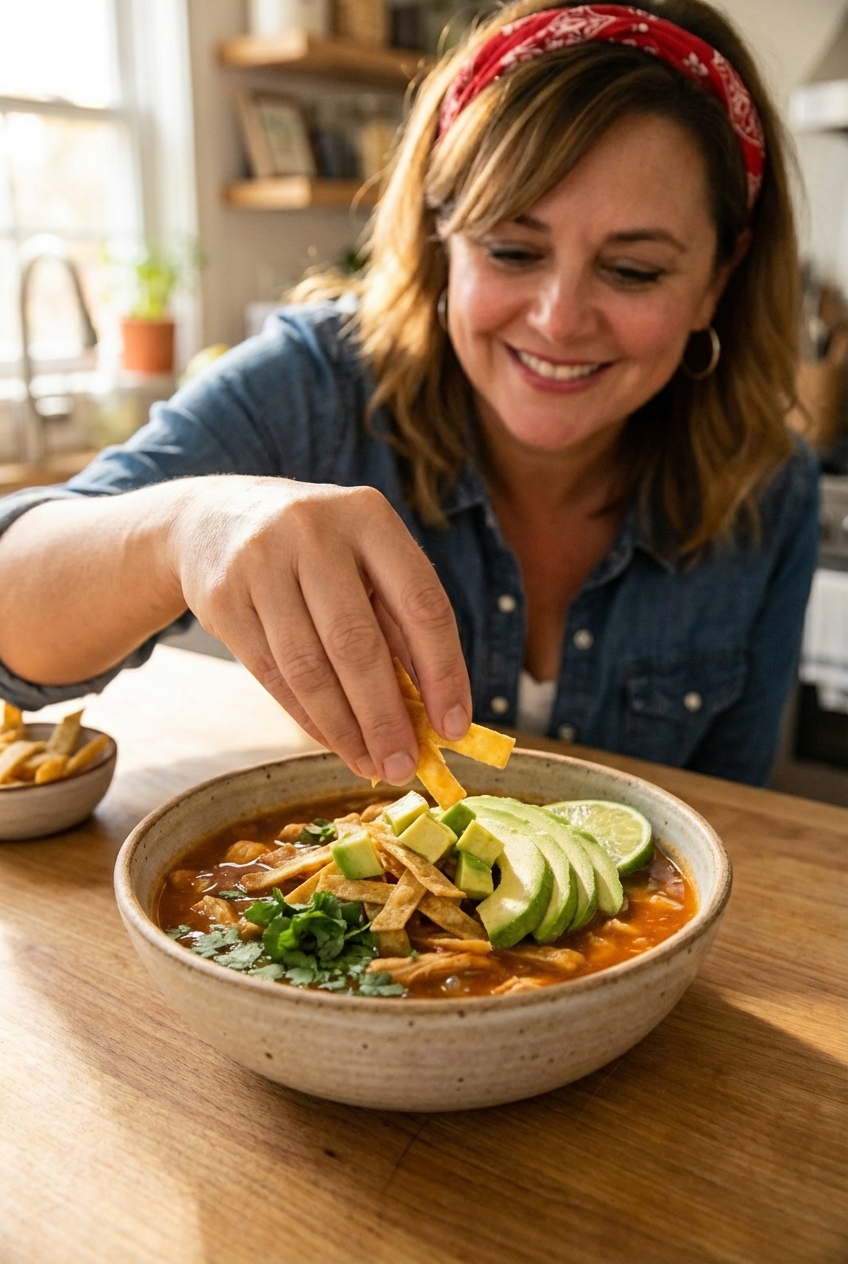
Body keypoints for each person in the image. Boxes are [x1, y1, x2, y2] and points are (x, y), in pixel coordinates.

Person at [0, 0, 818, 787]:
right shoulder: (313, 389)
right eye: (511, 251)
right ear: (441, 238)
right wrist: (182, 530)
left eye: (633, 270)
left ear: (717, 280)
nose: (559, 320)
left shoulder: (771, 489)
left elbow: (732, 820)